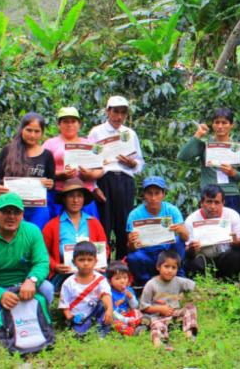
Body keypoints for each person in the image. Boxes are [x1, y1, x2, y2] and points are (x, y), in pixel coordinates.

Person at [0, 193, 53, 335]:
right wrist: (0, 294)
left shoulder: (32, 231)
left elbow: (42, 262)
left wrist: (32, 280)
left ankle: (37, 323)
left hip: (24, 284)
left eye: (16, 212)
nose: (11, 217)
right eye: (6, 212)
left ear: (22, 215)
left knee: (48, 289)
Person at [88, 95, 145, 260]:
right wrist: (94, 187)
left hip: (125, 180)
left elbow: (140, 164)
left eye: (123, 113)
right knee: (103, 223)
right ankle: (102, 264)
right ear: (108, 111)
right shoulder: (97, 132)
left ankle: (123, 265)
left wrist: (131, 163)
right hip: (105, 180)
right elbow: (89, 161)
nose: (119, 117)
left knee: (124, 223)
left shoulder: (129, 133)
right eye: (115, 112)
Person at [177, 107, 240, 213]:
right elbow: (182, 156)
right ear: (212, 124)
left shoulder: (238, 148)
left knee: (231, 228)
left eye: (224, 123)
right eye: (217, 122)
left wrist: (233, 173)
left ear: (231, 125)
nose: (220, 126)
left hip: (230, 194)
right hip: (208, 196)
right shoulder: (205, 145)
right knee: (208, 228)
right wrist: (198, 134)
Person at [42, 178, 109, 290]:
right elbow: (43, 252)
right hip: (64, 274)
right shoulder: (52, 225)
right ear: (64, 199)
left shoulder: (94, 223)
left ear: (83, 199)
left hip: (92, 270)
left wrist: (97, 263)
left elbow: (104, 249)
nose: (75, 200)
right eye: (71, 196)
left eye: (79, 196)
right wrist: (55, 266)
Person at [0, 112, 55, 230]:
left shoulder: (47, 155)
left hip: (38, 208)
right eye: (29, 130)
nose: (32, 135)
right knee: (14, 237)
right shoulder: (7, 151)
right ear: (22, 129)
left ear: (42, 133)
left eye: (37, 131)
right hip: (12, 206)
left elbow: (52, 182)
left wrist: (50, 183)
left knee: (35, 236)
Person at [126, 176, 189, 287]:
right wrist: (132, 243)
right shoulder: (135, 214)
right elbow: (131, 248)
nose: (153, 197)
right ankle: (144, 283)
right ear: (144, 195)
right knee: (133, 257)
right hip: (146, 253)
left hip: (167, 252)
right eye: (149, 193)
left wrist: (181, 231)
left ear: (163, 194)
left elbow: (185, 238)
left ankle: (178, 275)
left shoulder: (172, 210)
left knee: (179, 241)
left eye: (157, 193)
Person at [43, 106, 103, 219]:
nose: (69, 125)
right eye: (65, 121)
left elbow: (100, 168)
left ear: (79, 124)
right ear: (59, 124)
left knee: (87, 229)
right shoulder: (50, 144)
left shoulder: (89, 144)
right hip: (59, 194)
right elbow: (42, 170)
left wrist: (91, 175)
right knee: (57, 230)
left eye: (73, 121)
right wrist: (60, 174)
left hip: (84, 194)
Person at [139, 250, 198, 349]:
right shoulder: (151, 284)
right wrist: (160, 309)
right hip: (158, 316)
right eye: (166, 266)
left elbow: (194, 285)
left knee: (190, 308)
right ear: (158, 267)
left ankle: (189, 333)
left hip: (175, 313)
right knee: (156, 325)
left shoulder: (178, 281)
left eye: (173, 267)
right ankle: (160, 344)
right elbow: (144, 307)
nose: (170, 270)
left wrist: (193, 295)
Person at [184, 185, 240, 281]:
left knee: (236, 255)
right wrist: (192, 249)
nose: (212, 207)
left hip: (224, 256)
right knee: (191, 262)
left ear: (223, 203)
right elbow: (188, 252)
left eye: (217, 202)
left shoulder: (232, 215)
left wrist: (236, 242)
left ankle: (228, 282)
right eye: (209, 202)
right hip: (203, 258)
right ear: (202, 203)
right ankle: (201, 284)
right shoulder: (191, 220)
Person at [58, 241, 114, 337]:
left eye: (89, 259)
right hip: (78, 317)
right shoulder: (68, 283)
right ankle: (83, 331)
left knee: (102, 306)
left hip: (95, 313)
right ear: (74, 262)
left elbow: (106, 295)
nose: (86, 263)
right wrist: (71, 318)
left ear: (95, 261)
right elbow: (65, 306)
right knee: (80, 333)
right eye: (81, 260)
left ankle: (101, 332)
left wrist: (109, 310)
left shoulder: (100, 279)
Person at [107, 261, 144, 336]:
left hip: (127, 315)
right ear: (110, 282)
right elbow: (112, 313)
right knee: (115, 324)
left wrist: (131, 297)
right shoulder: (109, 293)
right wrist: (126, 320)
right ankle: (132, 331)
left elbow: (135, 306)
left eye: (125, 277)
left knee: (137, 313)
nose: (122, 281)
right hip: (117, 317)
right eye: (117, 278)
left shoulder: (129, 290)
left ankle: (137, 325)